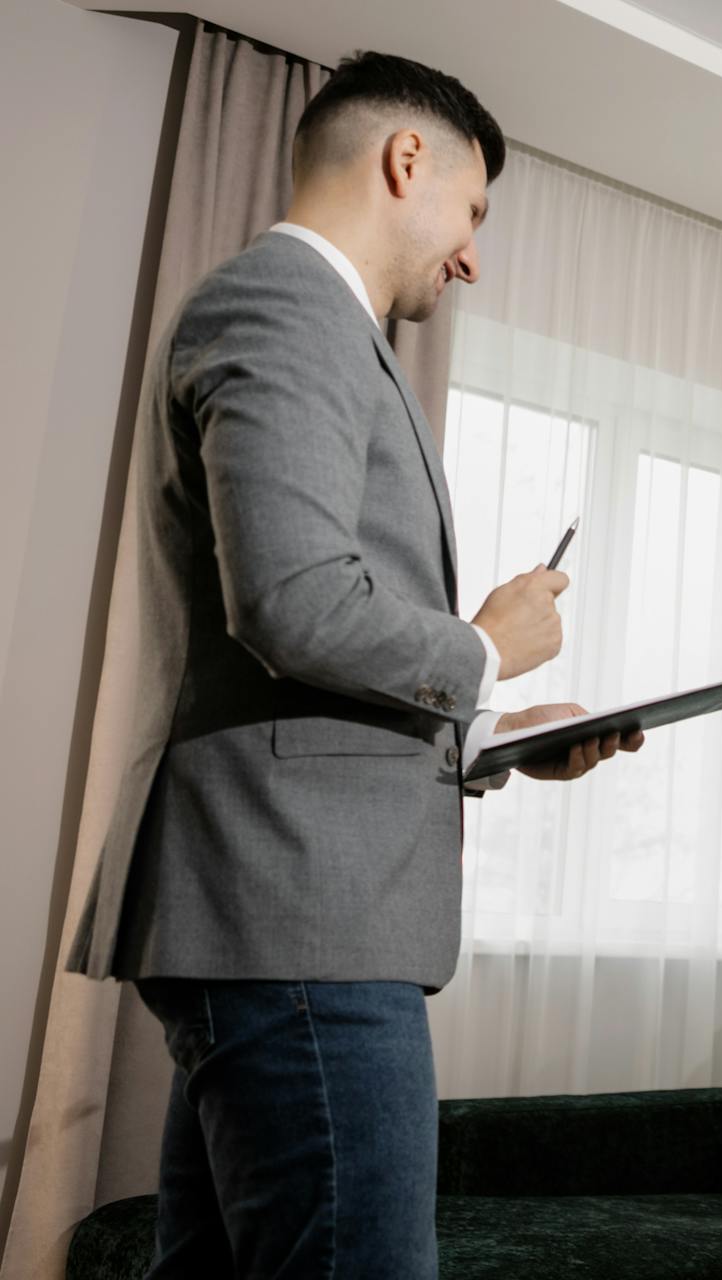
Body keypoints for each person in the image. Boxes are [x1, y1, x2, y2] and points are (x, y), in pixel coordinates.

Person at [64, 52, 641, 1278]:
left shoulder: (313, 323)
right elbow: (294, 603)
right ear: (406, 162)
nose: (474, 255)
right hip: (298, 912)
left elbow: (285, 669)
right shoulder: (285, 304)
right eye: (476, 211)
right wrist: (487, 645)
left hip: (282, 907)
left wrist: (491, 735)